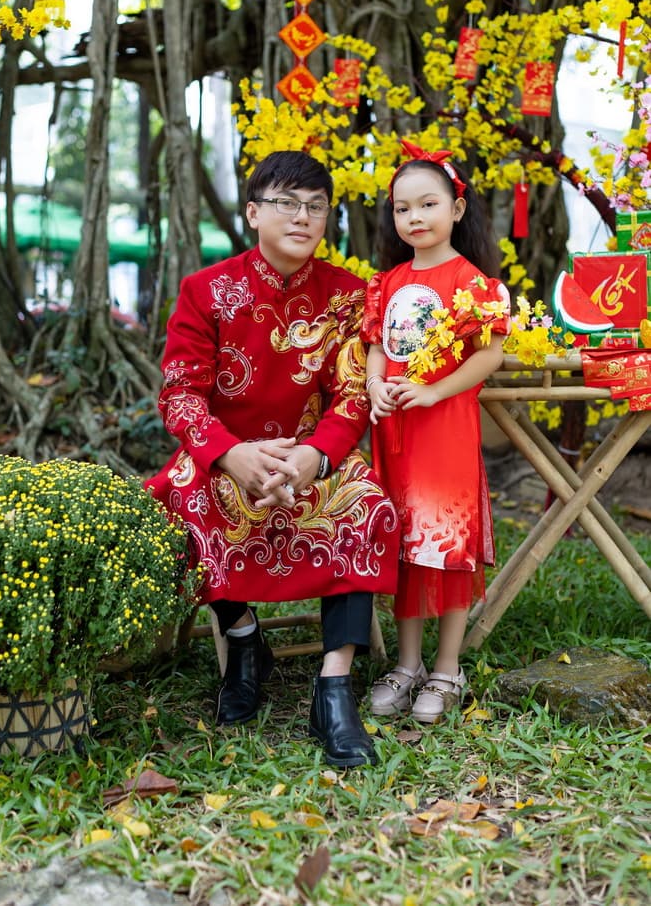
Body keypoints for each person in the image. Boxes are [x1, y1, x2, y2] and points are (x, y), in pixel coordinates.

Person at [146, 150, 399, 767]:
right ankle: (242, 638)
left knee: (367, 504)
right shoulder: (205, 291)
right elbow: (179, 392)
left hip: (311, 461)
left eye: (316, 206)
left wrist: (316, 456)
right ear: (254, 212)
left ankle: (333, 686)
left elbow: (351, 394)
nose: (303, 217)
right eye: (287, 203)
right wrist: (231, 455)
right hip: (231, 458)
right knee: (185, 495)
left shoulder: (347, 296)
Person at [360, 141, 510, 723]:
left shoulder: (475, 283)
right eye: (402, 209)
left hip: (444, 429)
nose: (414, 218)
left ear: (457, 208)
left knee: (446, 546)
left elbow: (490, 355)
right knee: (403, 546)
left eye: (427, 205)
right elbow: (377, 347)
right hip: (395, 432)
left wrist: (433, 391)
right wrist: (376, 384)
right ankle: (407, 664)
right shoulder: (389, 281)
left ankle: (447, 669)